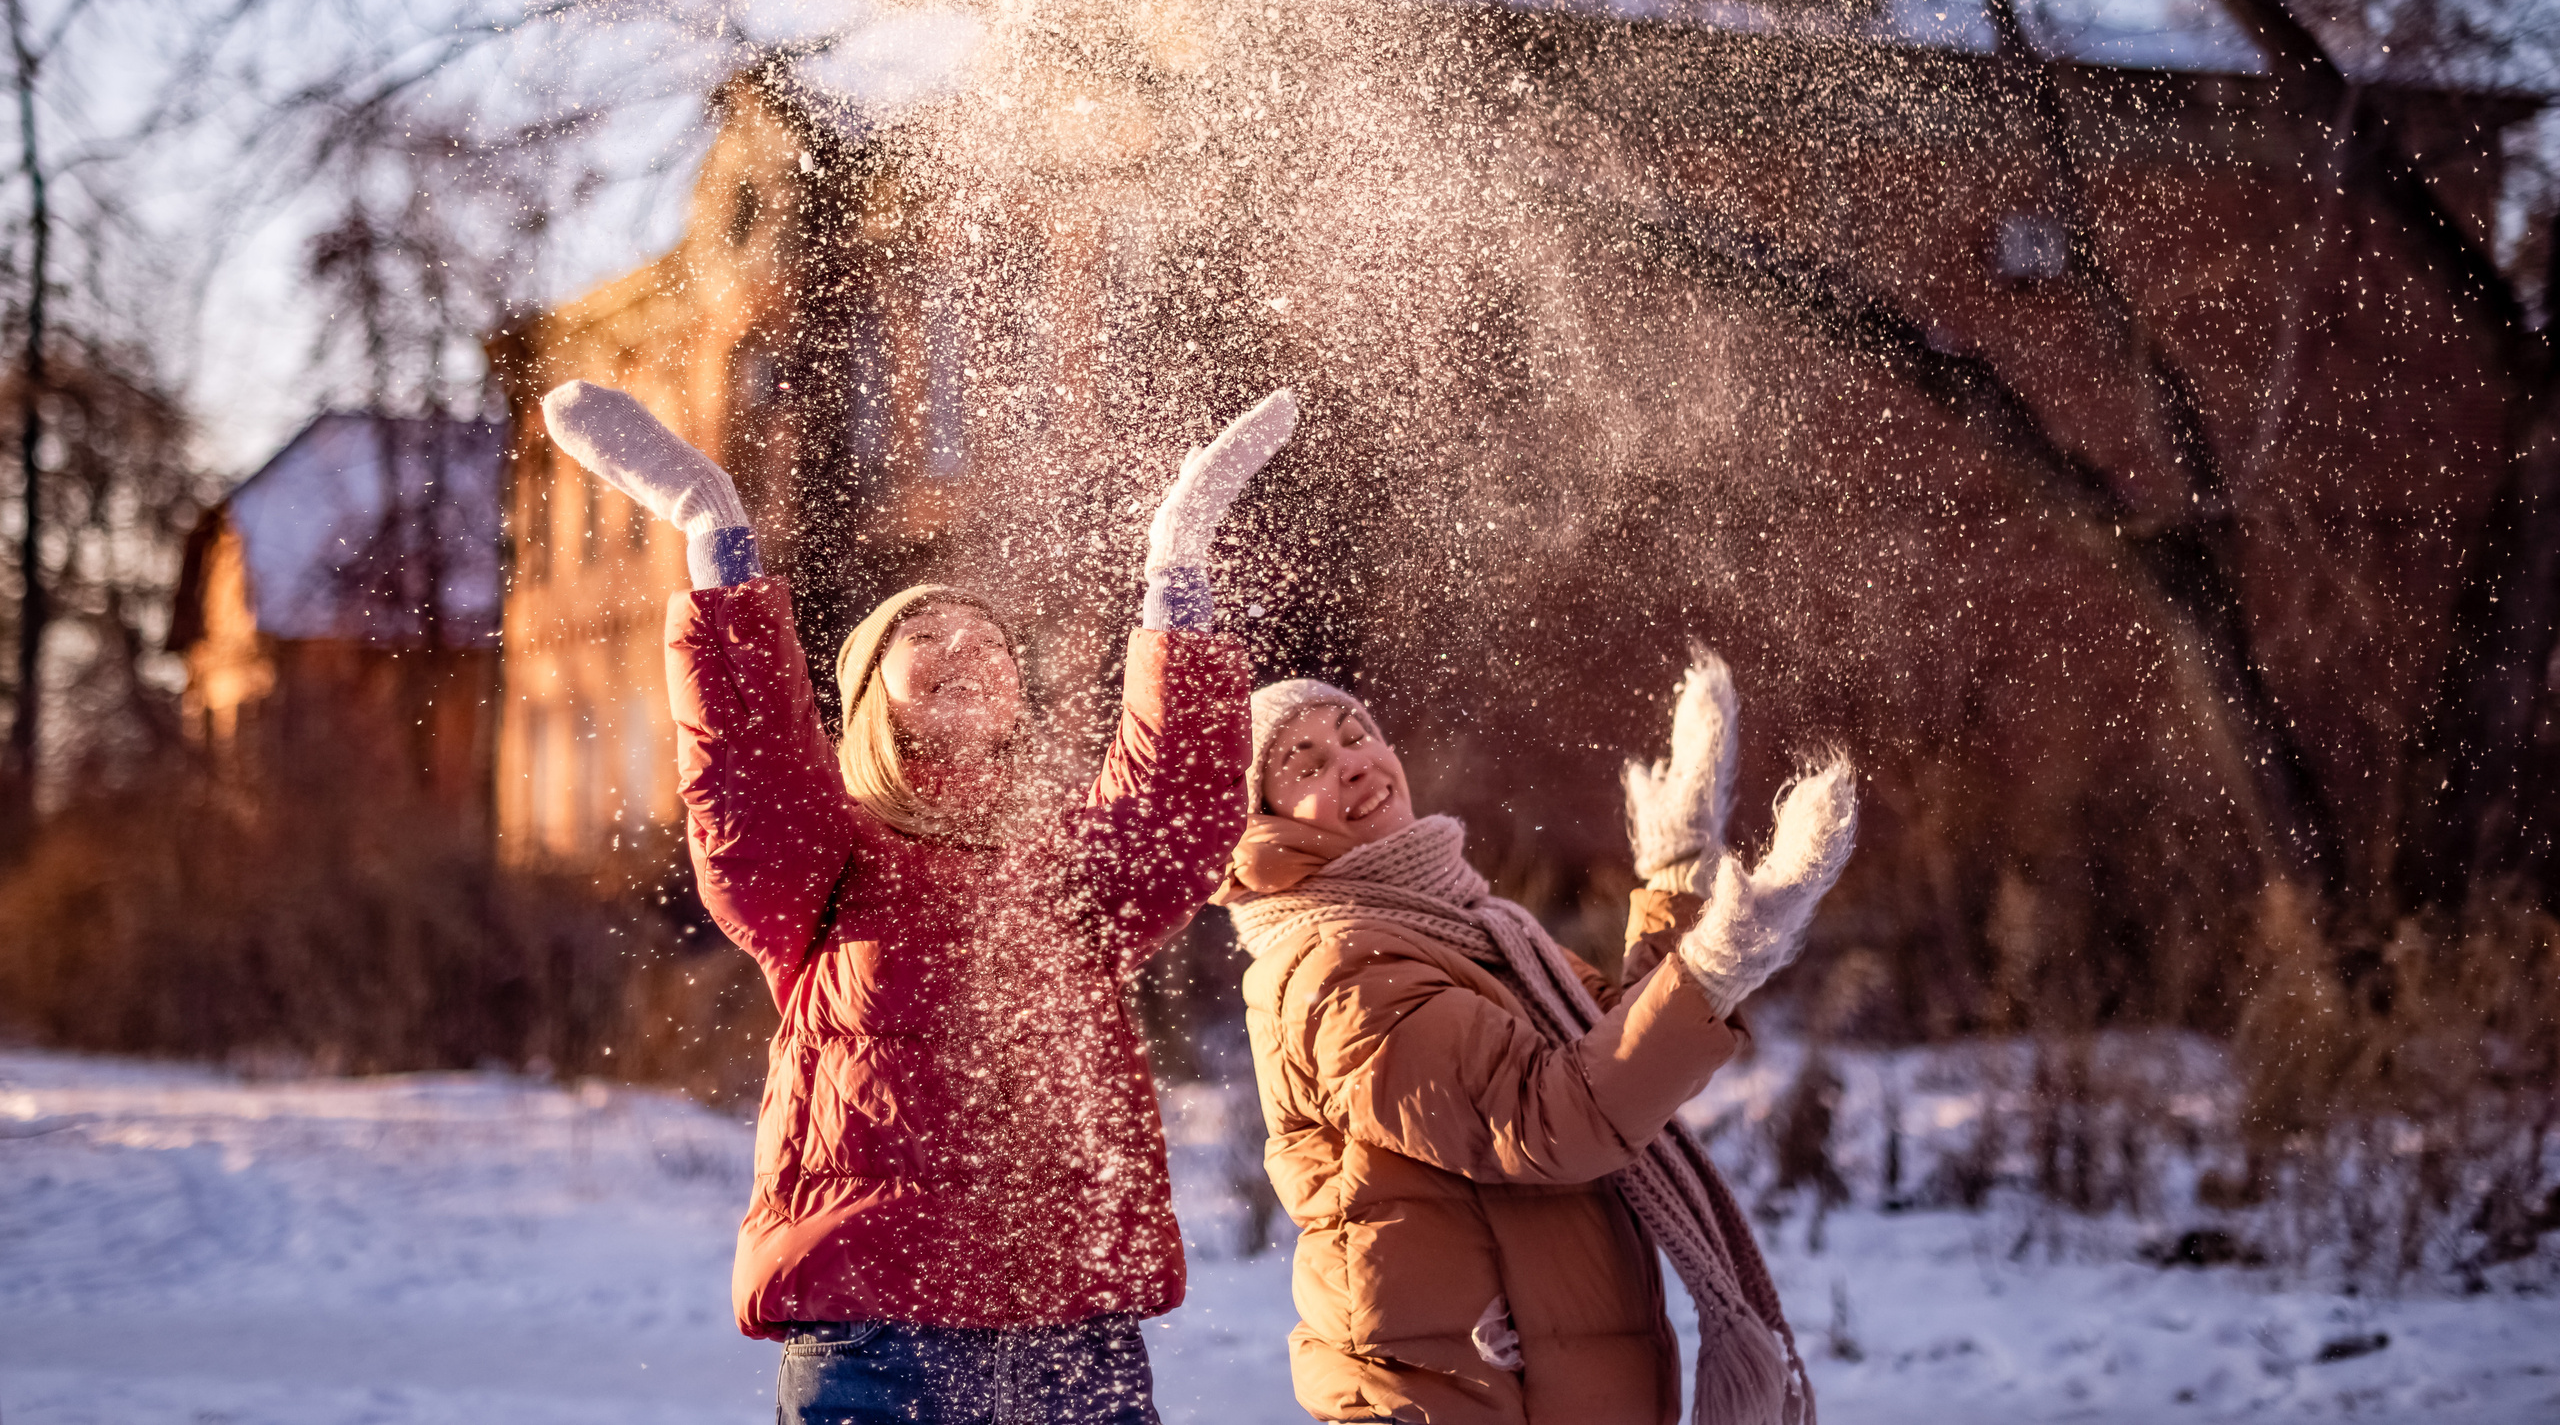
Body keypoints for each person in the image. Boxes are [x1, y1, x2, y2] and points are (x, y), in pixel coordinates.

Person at [539, 379, 1298, 1425]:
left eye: (987, 640)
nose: (964, 649)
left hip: (1073, 1334)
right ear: (865, 699)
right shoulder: (825, 862)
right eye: (924, 637)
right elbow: (748, 771)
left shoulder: (1070, 873)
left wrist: (1178, 561)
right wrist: (715, 539)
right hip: (879, 1339)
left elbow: (1176, 801)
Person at [1216, 651, 1856, 1425]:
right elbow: (1550, 1114)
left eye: (1357, 735)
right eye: (1306, 763)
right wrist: (1719, 962)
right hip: (1458, 1396)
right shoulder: (1333, 966)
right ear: (1260, 821)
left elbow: (1613, 1048)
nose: (1351, 764)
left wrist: (1679, 876)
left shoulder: (1460, 924)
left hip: (1548, 1378)